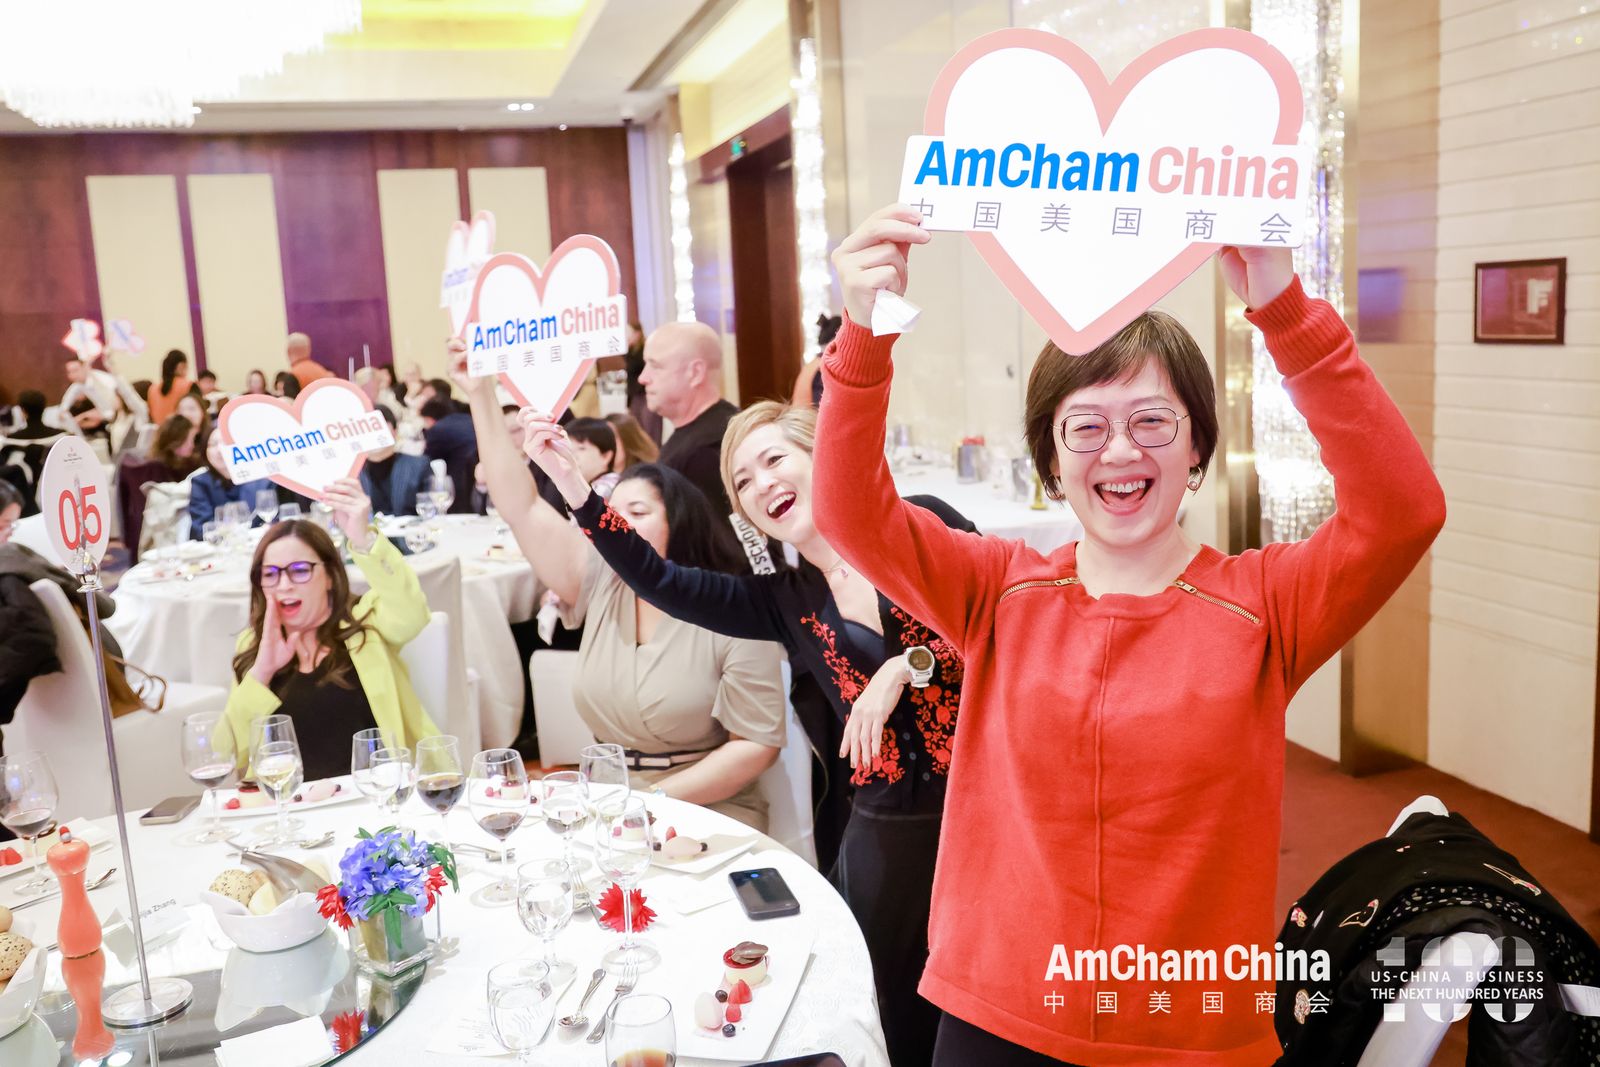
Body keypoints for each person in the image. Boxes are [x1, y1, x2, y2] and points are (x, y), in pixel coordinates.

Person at [813, 205, 1448, 1066]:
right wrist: (864, 332)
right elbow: (850, 510)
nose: (1119, 451)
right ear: (1052, 460)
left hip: (1186, 1027)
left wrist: (1285, 309)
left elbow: (1404, 511)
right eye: (1086, 426)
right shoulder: (997, 589)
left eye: (1153, 421)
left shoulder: (1266, 606)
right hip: (999, 1008)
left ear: (1197, 451)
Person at [524, 397, 971, 1066]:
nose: (763, 483)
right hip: (890, 827)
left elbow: (1005, 616)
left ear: (823, 455)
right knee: (880, 1006)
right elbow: (660, 578)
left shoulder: (922, 521)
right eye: (743, 480)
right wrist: (574, 488)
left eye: (774, 459)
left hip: (985, 806)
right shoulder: (785, 600)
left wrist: (903, 667)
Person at [451, 339, 786, 831]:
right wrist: (480, 393)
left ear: (679, 524)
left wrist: (651, 801)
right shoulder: (601, 580)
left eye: (638, 512)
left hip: (707, 807)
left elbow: (756, 746)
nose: (617, 524)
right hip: (608, 799)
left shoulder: (731, 606)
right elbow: (520, 506)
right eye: (611, 512)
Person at [224, 478, 439, 781]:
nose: (284, 585)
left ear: (329, 575)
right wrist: (262, 671)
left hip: (378, 793)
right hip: (292, 802)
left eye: (299, 570)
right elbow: (229, 754)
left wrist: (363, 538)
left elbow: (411, 613)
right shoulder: (255, 644)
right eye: (270, 574)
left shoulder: (364, 622)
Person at [639, 321, 737, 515]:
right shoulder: (714, 433)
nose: (643, 378)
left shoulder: (708, 451)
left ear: (695, 373)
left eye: (656, 366)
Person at [188, 426, 273, 540]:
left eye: (226, 443)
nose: (219, 450)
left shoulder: (261, 477)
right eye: (213, 444)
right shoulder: (200, 482)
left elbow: (274, 518)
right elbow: (202, 528)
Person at [359, 407, 431, 517]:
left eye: (378, 428)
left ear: (395, 431)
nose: (374, 435)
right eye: (366, 430)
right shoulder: (353, 474)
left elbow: (431, 509)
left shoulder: (418, 466)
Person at [61, 356, 147, 434]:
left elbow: (121, 399)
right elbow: (64, 406)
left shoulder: (103, 381)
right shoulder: (78, 385)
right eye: (69, 372)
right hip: (110, 420)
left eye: (75, 370)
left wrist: (95, 415)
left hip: (119, 417)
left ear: (85, 368)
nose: (72, 375)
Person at [420, 397, 477, 514]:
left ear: (429, 419)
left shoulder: (437, 430)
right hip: (480, 476)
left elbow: (425, 462)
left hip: (461, 485)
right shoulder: (468, 419)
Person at [562, 418, 621, 500]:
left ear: (606, 456)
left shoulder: (606, 486)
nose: (572, 455)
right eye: (568, 448)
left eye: (581, 448)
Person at [146, 350, 193, 424]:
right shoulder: (188, 385)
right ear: (181, 366)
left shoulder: (152, 389)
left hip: (160, 430)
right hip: (182, 429)